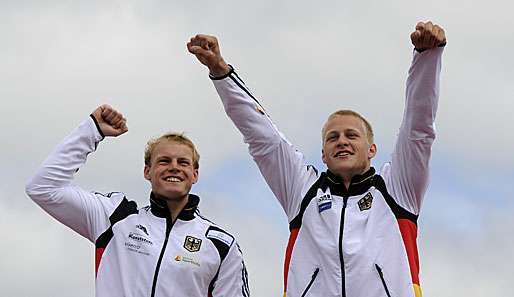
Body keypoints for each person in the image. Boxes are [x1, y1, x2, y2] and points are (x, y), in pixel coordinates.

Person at [188, 21, 446, 297]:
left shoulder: (398, 188)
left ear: (372, 149)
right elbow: (262, 136)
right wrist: (220, 71)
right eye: (333, 137)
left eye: (351, 135)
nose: (342, 141)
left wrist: (426, 58)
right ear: (323, 154)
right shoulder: (303, 189)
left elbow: (418, 127)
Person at [25, 105, 250, 297]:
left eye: (183, 162)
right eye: (164, 161)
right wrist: (91, 130)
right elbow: (42, 187)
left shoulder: (221, 245)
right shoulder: (115, 217)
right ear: (147, 171)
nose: (174, 167)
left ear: (195, 175)